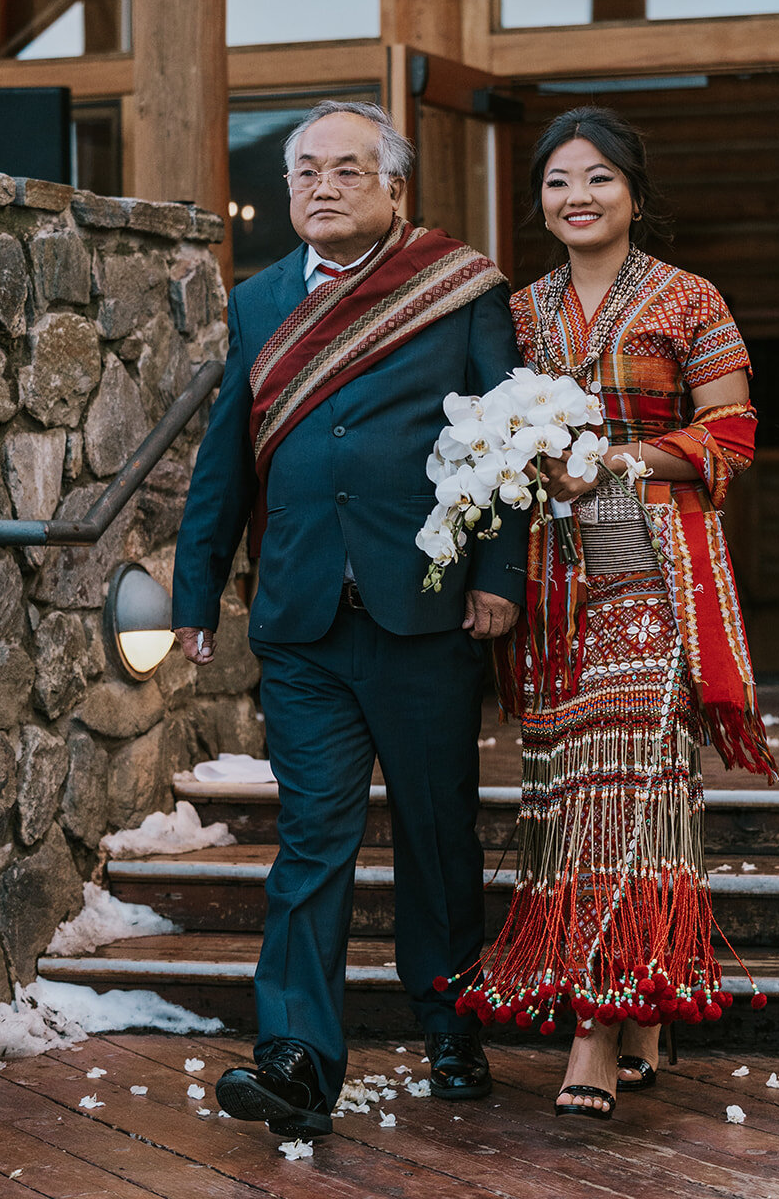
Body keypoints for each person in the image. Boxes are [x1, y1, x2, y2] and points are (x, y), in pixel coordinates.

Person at [171, 100, 527, 1139]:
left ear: (394, 189)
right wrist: (197, 590)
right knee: (311, 841)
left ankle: (451, 1023)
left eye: (346, 170)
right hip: (301, 618)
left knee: (435, 836)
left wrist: (496, 572)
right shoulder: (259, 300)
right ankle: (293, 1057)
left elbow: (504, 445)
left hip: (425, 613)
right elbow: (225, 458)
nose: (321, 187)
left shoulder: (458, 289)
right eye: (305, 172)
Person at [456, 107, 777, 1121]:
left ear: (633, 193)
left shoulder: (688, 299)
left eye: (596, 178)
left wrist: (625, 459)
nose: (576, 196)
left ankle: (594, 1027)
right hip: (550, 576)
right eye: (557, 182)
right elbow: (480, 427)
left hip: (653, 569)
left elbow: (730, 426)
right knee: (565, 791)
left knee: (633, 784)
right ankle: (642, 998)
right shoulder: (512, 311)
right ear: (541, 201)